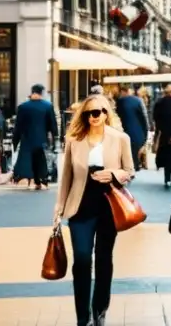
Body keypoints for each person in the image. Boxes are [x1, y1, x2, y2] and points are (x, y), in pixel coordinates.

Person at [54, 94, 135, 326]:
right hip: (80, 204)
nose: (94, 117)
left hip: (109, 204)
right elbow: (66, 177)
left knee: (103, 259)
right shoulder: (74, 139)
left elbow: (129, 170)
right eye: (89, 113)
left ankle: (99, 309)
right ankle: (82, 316)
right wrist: (59, 207)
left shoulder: (120, 138)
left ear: (107, 113)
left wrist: (113, 174)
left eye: (98, 112)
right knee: (81, 259)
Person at [12, 84, 58, 189]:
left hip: (26, 139)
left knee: (26, 160)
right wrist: (55, 140)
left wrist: (15, 141)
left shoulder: (23, 107)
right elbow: (53, 125)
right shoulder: (47, 106)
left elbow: (18, 126)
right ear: (42, 92)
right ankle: (40, 181)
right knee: (41, 161)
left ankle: (27, 180)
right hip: (41, 139)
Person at [115, 86, 149, 169]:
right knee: (133, 152)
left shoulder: (120, 102)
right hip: (138, 133)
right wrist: (145, 134)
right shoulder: (138, 101)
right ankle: (134, 166)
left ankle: (131, 167)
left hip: (124, 131)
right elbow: (144, 118)